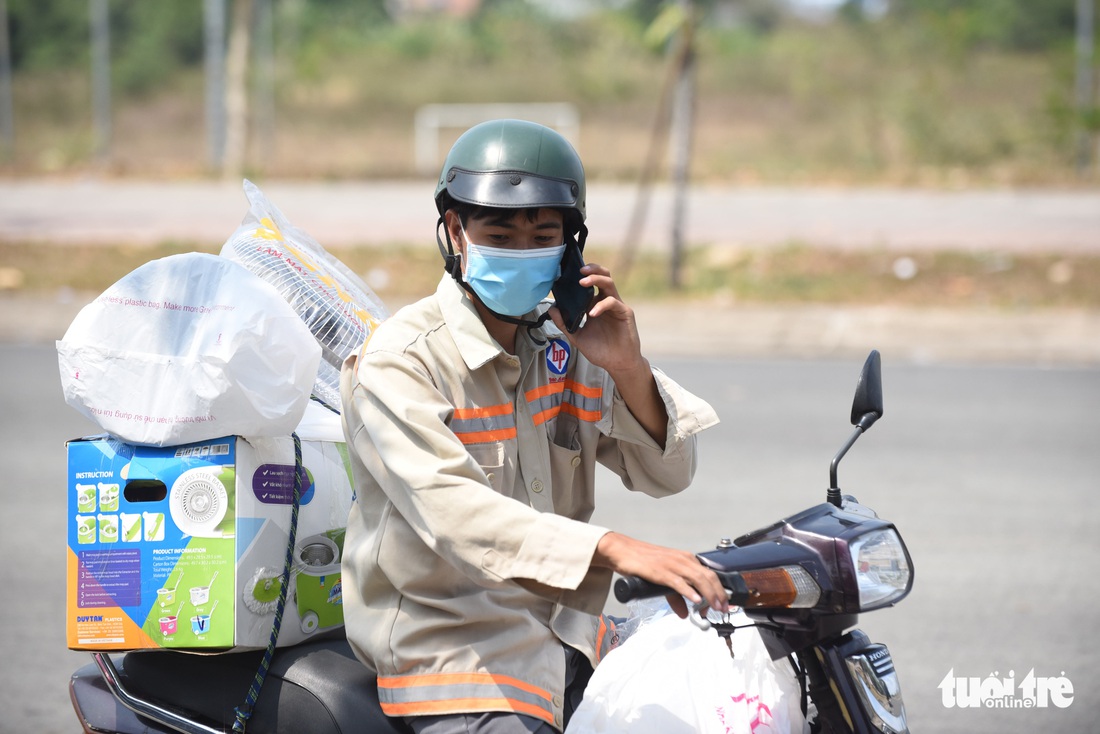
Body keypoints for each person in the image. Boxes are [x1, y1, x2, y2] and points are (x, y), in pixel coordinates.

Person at [339, 118, 724, 734]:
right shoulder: (401, 360)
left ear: (571, 248)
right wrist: (614, 549)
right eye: (500, 234)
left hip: (568, 637)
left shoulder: (566, 348)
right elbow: (454, 513)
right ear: (456, 233)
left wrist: (626, 367)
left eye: (543, 235)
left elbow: (669, 473)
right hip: (455, 663)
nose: (521, 252)